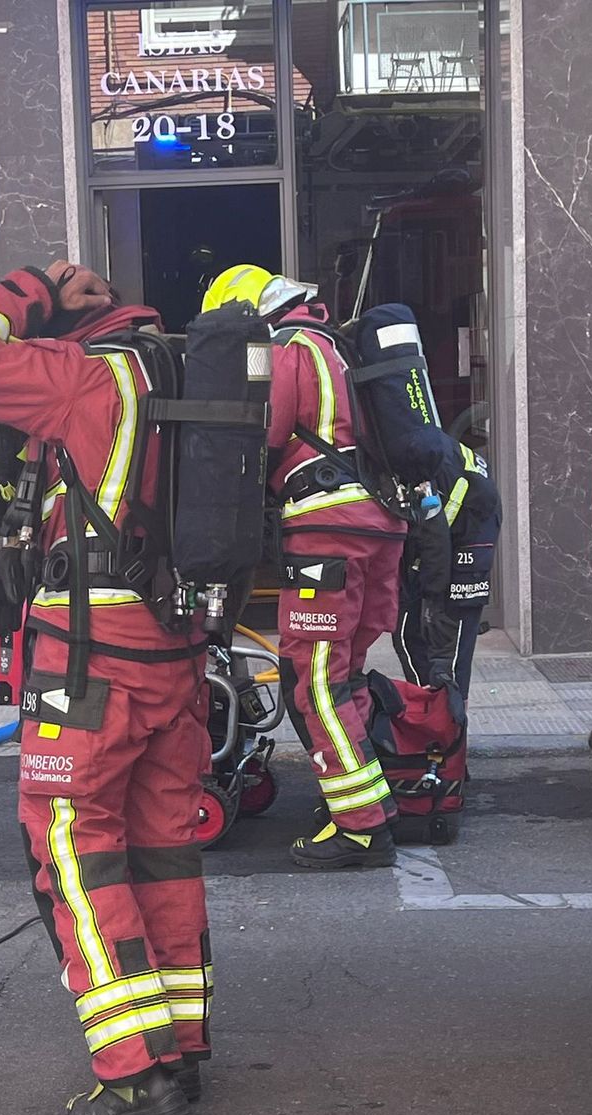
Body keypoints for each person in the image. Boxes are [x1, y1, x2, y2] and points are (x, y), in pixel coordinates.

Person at [0, 262, 213, 1115]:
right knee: (164, 847)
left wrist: (29, 289)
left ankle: (131, 1073)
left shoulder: (85, 374)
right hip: (176, 649)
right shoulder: (185, 372)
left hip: (91, 658)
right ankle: (181, 1044)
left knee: (72, 846)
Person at [199, 265, 407, 870]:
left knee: (315, 681)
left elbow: (260, 431)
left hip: (327, 527)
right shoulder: (335, 343)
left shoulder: (278, 347)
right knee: (345, 674)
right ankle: (368, 801)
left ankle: (362, 829)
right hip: (377, 523)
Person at [395, 436, 502, 725]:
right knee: (427, 640)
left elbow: (435, 541)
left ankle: (445, 729)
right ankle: (439, 721)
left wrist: (430, 594)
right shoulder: (420, 440)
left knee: (444, 652)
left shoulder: (415, 460)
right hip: (468, 524)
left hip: (466, 540)